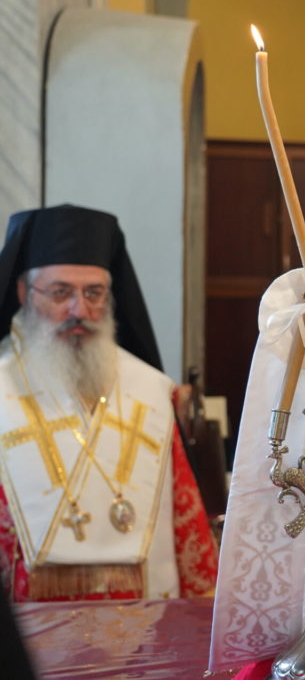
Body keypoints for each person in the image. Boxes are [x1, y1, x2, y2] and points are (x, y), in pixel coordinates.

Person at [0, 204, 218, 601]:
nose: (79, 310)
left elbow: (184, 520)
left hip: (139, 627)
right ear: (22, 292)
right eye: (60, 292)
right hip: (21, 636)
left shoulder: (150, 389)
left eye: (94, 293)